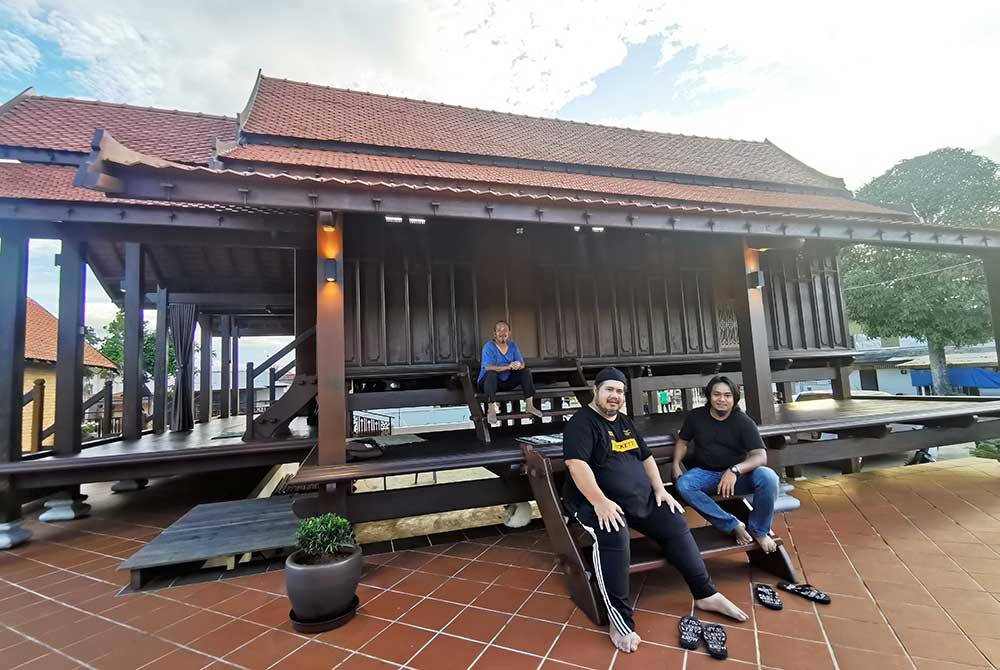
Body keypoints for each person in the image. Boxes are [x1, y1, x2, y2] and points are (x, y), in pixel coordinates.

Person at [563, 367, 748, 654]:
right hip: (593, 502)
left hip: (639, 499)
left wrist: (660, 489)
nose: (615, 396)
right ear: (595, 391)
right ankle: (620, 621)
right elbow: (577, 465)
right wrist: (599, 501)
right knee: (613, 533)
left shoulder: (624, 422)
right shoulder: (581, 423)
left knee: (674, 520)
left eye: (620, 392)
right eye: (609, 390)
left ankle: (705, 593)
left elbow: (646, 457)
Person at [672, 375, 780, 554]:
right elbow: (682, 442)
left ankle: (760, 530)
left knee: (768, 477)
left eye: (727, 395)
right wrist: (676, 465)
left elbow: (760, 456)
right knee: (684, 484)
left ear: (734, 398)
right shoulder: (696, 416)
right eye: (716, 394)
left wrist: (735, 470)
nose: (721, 399)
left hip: (738, 477)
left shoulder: (743, 421)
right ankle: (732, 524)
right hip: (706, 474)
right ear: (709, 396)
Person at [478, 320, 543, 425]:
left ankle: (529, 405)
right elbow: (488, 367)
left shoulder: (513, 346)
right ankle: (491, 409)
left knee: (525, 371)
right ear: (494, 334)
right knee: (491, 374)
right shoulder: (488, 346)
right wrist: (508, 366)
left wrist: (518, 365)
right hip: (488, 383)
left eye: (505, 330)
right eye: (499, 330)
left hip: (506, 381)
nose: (502, 333)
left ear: (509, 333)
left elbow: (522, 363)